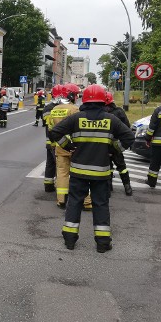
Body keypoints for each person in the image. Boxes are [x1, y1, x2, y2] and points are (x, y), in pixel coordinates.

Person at [50, 84, 135, 253]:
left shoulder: (77, 118)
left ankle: (70, 241)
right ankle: (103, 244)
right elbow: (129, 137)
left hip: (78, 171)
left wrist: (69, 146)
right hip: (101, 172)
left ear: (85, 99)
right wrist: (113, 149)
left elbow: (54, 133)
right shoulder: (111, 119)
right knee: (101, 205)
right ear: (103, 100)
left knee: (74, 203)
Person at [47, 83, 92, 210]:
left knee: (62, 173)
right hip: (75, 146)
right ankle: (86, 202)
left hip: (60, 146)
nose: (77, 97)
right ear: (72, 95)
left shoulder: (54, 110)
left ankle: (61, 200)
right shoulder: (75, 110)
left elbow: (51, 129)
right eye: (76, 94)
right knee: (81, 174)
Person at [104, 91, 133, 196]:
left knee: (107, 167)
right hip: (117, 145)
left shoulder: (101, 113)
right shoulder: (119, 112)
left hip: (104, 145)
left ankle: (108, 189)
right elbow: (127, 128)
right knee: (122, 167)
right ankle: (127, 187)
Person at [41, 85, 64, 192]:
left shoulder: (47, 108)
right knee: (60, 165)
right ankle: (61, 188)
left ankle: (48, 186)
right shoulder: (62, 107)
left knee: (50, 164)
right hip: (59, 142)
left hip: (49, 141)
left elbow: (46, 122)